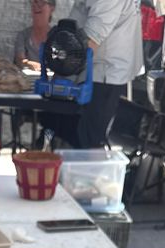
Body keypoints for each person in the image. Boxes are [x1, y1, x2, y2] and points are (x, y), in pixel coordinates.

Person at [67, 0, 143, 148]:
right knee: (84, 140)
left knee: (88, 144)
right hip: (97, 72)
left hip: (102, 74)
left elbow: (91, 41)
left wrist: (63, 72)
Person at [14, 0, 56, 69]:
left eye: (41, 2)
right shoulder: (23, 35)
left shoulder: (57, 37)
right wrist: (30, 64)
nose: (36, 6)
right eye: (34, 2)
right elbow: (20, 60)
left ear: (52, 8)